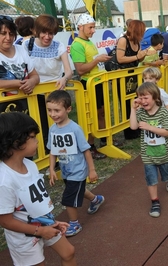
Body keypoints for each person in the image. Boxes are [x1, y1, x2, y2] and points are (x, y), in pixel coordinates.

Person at [0, 112, 76, 266]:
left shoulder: (30, 165)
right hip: (24, 238)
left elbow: (37, 201)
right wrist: (40, 231)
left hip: (45, 224)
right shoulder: (4, 181)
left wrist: (51, 222)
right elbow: (5, 221)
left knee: (69, 252)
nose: (37, 142)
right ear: (16, 142)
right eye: (33, 137)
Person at [46, 90, 105, 237]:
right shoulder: (53, 129)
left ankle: (74, 223)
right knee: (78, 190)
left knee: (69, 197)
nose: (53, 114)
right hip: (66, 170)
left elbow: (86, 150)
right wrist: (52, 169)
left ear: (68, 109)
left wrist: (91, 170)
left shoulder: (75, 129)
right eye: (49, 110)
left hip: (78, 170)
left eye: (57, 110)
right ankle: (96, 199)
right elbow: (52, 151)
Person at [70, 14, 115, 159]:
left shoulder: (88, 41)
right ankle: (90, 146)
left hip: (96, 83)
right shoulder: (77, 45)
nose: (93, 30)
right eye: (90, 27)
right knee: (91, 115)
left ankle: (104, 139)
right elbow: (81, 70)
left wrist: (99, 61)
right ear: (80, 27)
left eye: (94, 27)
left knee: (100, 112)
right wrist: (97, 60)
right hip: (88, 84)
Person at [129, 82, 168, 218]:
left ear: (155, 98)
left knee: (167, 175)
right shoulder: (141, 113)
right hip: (147, 154)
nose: (143, 101)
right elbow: (133, 127)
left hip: (164, 153)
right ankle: (155, 201)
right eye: (140, 98)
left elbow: (167, 132)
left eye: (146, 98)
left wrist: (150, 127)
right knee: (151, 179)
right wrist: (133, 109)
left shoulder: (163, 112)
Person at [115, 19, 149, 140]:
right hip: (122, 76)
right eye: (142, 31)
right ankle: (129, 132)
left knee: (135, 101)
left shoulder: (137, 42)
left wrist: (143, 55)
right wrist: (137, 56)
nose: (143, 33)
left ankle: (135, 127)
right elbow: (120, 59)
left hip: (132, 75)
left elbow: (137, 59)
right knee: (125, 104)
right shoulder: (123, 40)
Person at [0, 15, 40, 114]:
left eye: (11, 33)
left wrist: (31, 82)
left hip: (26, 104)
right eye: (3, 33)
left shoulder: (20, 49)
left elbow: (35, 76)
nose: (8, 38)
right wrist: (18, 83)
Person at [26, 14, 73, 90]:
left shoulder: (59, 46)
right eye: (43, 32)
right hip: (35, 91)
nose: (47, 37)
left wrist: (65, 78)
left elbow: (68, 71)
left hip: (56, 89)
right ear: (37, 31)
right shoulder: (27, 45)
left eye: (50, 33)